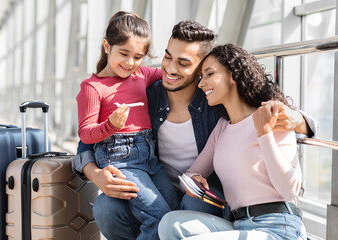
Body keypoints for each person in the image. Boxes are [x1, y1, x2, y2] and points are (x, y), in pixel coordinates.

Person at [72, 20, 317, 239]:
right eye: (168, 57)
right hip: (152, 186)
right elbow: (89, 137)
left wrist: (301, 120)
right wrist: (93, 173)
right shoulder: (145, 94)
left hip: (204, 199)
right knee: (106, 207)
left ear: (203, 68)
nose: (169, 68)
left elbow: (256, 105)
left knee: (193, 202)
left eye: (183, 62)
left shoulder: (214, 102)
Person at [158, 44, 308, 240]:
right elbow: (192, 173)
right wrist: (194, 183)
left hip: (279, 227)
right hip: (238, 224)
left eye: (210, 74)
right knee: (170, 224)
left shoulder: (272, 116)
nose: (202, 84)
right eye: (201, 77)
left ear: (234, 75)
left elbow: (289, 190)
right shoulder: (222, 127)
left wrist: (264, 133)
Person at [76, 11, 178, 240]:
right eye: (124, 53)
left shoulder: (141, 75)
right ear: (106, 45)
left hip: (150, 159)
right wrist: (110, 125)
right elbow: (85, 134)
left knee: (172, 207)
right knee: (158, 217)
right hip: (120, 160)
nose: (130, 63)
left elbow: (173, 74)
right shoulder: (92, 88)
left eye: (138, 57)